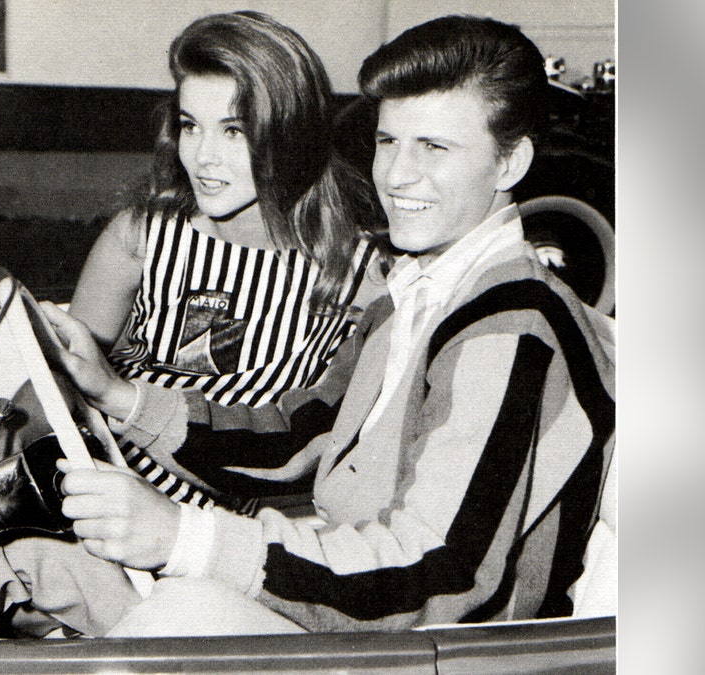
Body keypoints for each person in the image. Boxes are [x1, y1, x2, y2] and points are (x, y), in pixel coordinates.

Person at [42, 15, 616, 635]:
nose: (396, 176)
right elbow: (295, 440)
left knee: (176, 612)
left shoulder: (511, 326)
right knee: (31, 563)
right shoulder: (409, 298)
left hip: (429, 645)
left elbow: (441, 574)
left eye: (435, 147)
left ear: (511, 164)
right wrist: (116, 394)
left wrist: (184, 538)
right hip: (348, 595)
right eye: (389, 142)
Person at [0, 10, 386, 638]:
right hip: (82, 503)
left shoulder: (352, 274)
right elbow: (52, 391)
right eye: (191, 127)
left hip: (199, 551)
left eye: (234, 131)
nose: (204, 158)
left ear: (291, 135)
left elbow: (312, 458)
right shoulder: (142, 233)